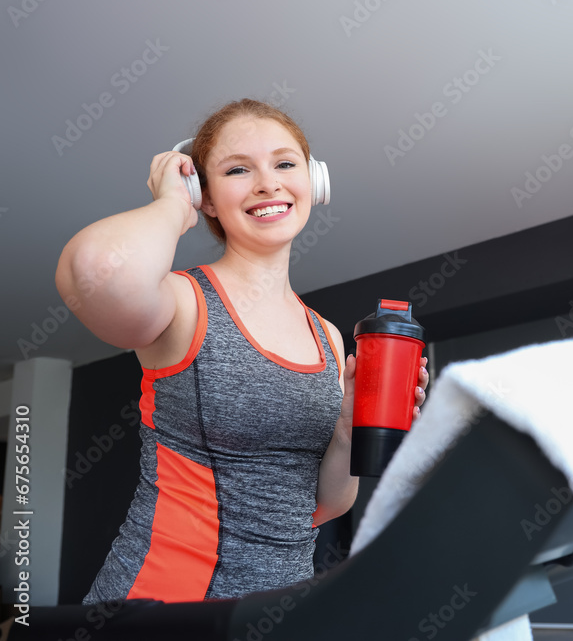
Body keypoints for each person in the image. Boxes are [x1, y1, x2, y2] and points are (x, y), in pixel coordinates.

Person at [54, 98, 429, 603]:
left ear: (312, 182)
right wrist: (172, 203)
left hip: (276, 610)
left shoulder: (329, 338)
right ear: (205, 196)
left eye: (284, 163)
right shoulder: (184, 302)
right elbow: (95, 271)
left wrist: (345, 429)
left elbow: (325, 506)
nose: (268, 183)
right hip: (162, 607)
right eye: (237, 169)